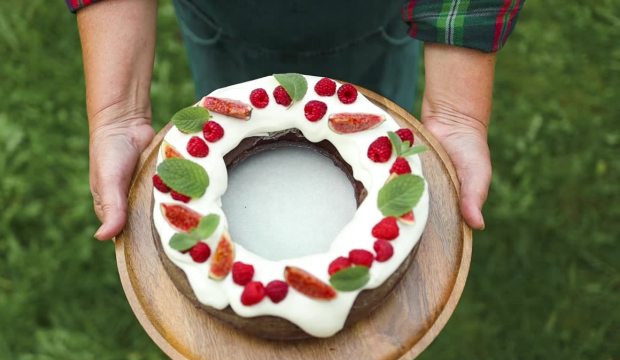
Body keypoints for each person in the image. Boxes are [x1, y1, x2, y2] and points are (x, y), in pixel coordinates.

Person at [68, 0, 524, 240]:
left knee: (379, 146)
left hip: (370, 24)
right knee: (228, 127)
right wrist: (119, 113)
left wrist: (454, 112)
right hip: (225, 23)